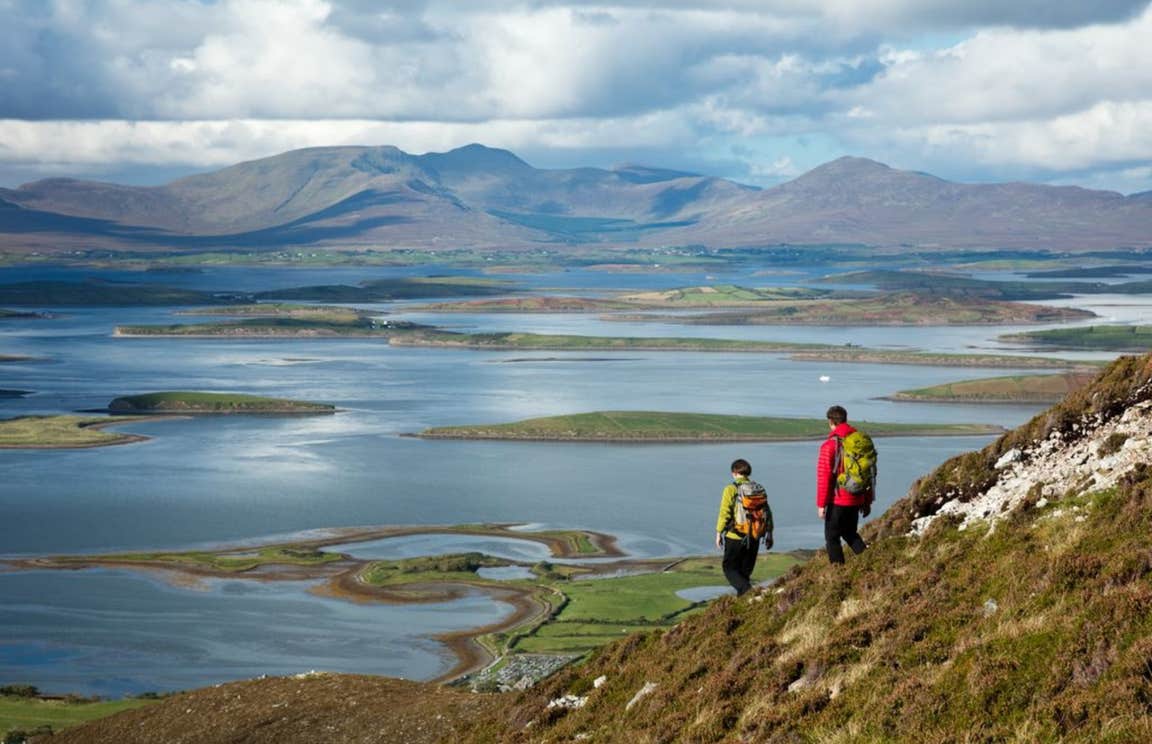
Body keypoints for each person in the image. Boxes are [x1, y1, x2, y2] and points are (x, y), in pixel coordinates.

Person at [816, 405, 873, 564]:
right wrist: (867, 500)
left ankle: (838, 573)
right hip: (857, 497)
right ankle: (869, 561)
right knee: (849, 533)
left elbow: (824, 477)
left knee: (832, 538)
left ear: (831, 422)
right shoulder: (859, 442)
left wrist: (821, 504)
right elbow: (869, 473)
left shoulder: (829, 446)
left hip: (838, 500)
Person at [715, 458, 773, 595]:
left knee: (729, 568)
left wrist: (718, 533)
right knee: (744, 573)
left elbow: (724, 513)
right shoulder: (759, 489)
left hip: (735, 535)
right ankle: (746, 603)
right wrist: (769, 533)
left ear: (734, 473)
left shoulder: (731, 489)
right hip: (755, 535)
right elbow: (768, 512)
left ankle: (750, 593)